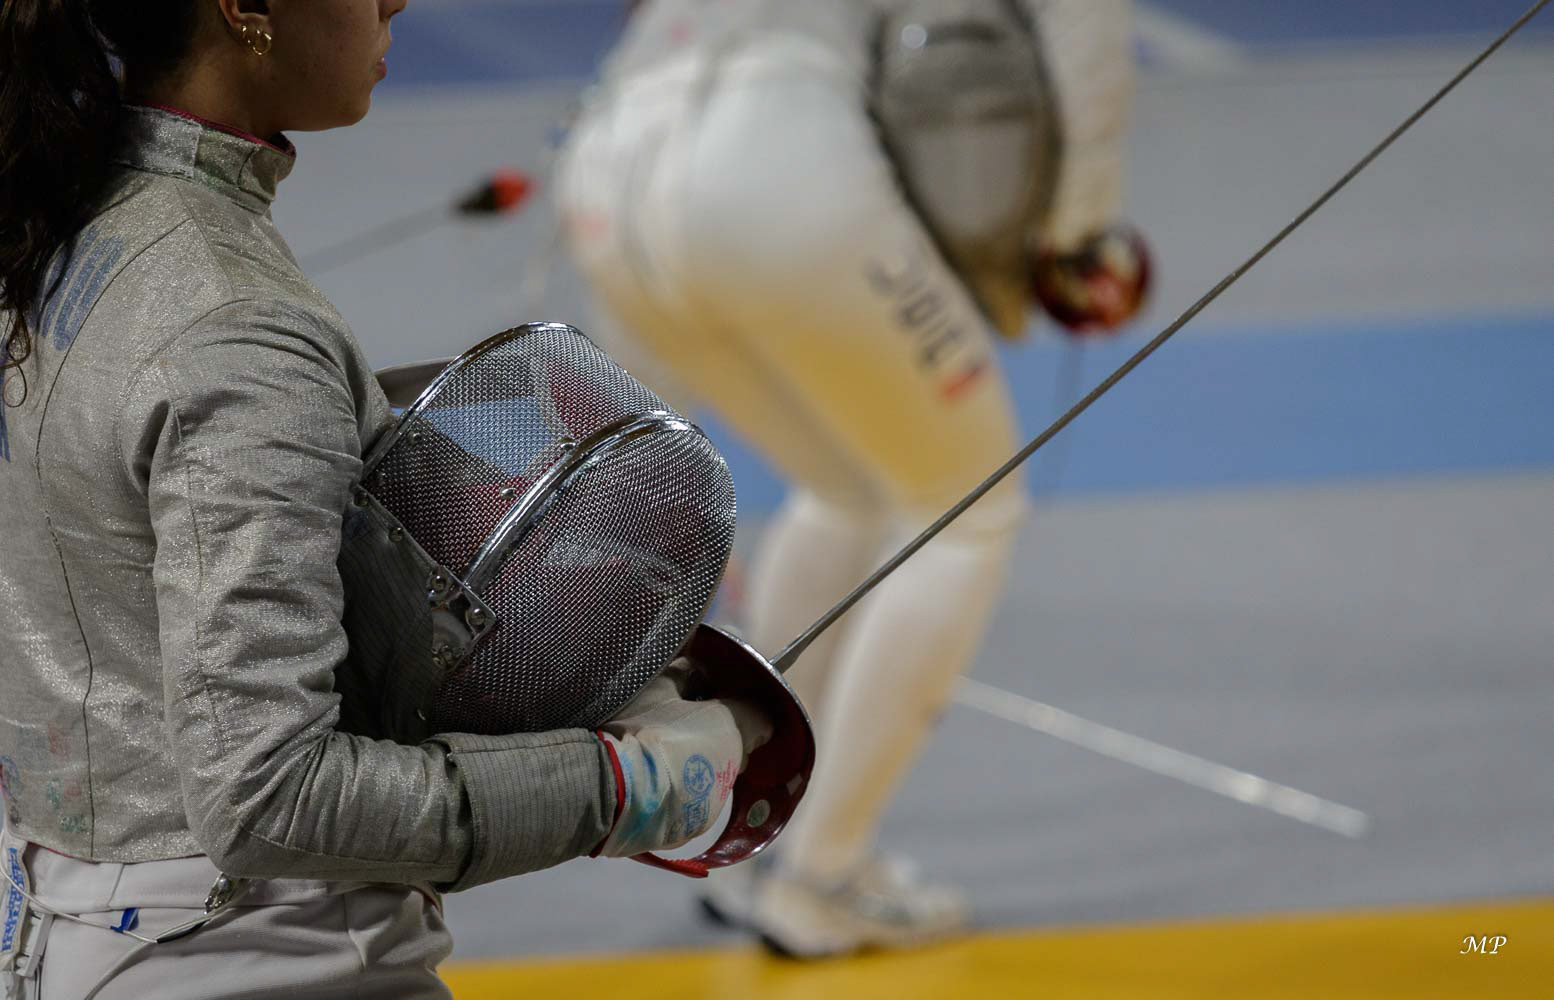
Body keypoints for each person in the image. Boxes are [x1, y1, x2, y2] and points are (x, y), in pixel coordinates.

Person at [0, 2, 767, 997]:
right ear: (245, 8)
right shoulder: (235, 322)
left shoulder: (66, 222)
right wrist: (626, 787)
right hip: (261, 960)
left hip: (82, 929)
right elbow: (269, 795)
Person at [558, 0, 1146, 958]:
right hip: (771, 163)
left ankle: (752, 847)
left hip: (608, 169)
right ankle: (825, 877)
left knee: (850, 487)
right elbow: (1085, 31)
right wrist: (1080, 230)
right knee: (970, 508)